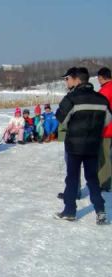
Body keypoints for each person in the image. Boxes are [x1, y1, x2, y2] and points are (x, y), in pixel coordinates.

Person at [54, 67, 111, 225]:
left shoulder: (72, 98)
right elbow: (107, 120)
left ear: (76, 80)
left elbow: (61, 118)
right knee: (93, 179)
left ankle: (70, 211)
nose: (66, 81)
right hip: (93, 145)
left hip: (74, 145)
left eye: (67, 79)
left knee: (72, 178)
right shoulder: (101, 99)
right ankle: (100, 211)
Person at [97, 67, 112, 191]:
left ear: (101, 78)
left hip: (107, 129)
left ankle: (105, 183)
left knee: (104, 157)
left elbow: (100, 111)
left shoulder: (104, 91)